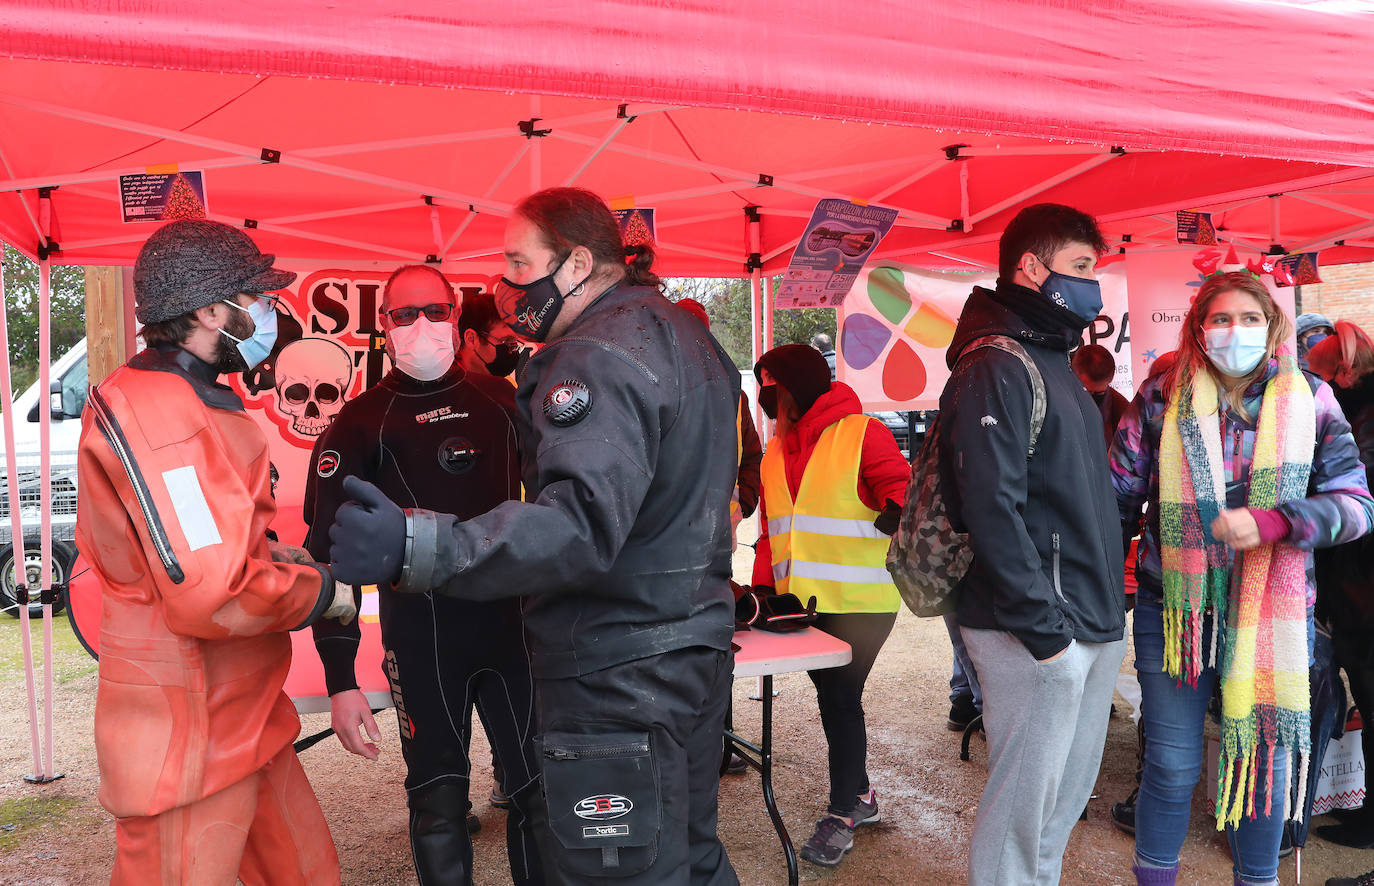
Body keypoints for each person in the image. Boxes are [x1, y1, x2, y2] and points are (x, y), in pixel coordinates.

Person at [327, 186, 741, 885]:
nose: (506, 283)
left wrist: (420, 546)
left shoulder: (594, 357)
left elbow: (580, 523)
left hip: (616, 668)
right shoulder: (687, 336)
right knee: (690, 856)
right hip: (687, 648)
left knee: (627, 869)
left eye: (519, 262)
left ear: (577, 263)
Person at [75, 219, 355, 885]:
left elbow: (216, 543)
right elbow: (212, 590)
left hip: (242, 714)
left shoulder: (191, 401)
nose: (265, 313)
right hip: (188, 733)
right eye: (252, 299)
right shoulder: (163, 416)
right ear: (208, 312)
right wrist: (324, 594)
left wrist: (287, 561)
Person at [1109, 272, 1374, 886]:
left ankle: (1258, 879)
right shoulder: (1161, 393)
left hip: (1273, 615)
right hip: (1176, 611)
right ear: (1200, 328)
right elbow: (1118, 493)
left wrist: (1279, 522)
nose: (1235, 331)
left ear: (1273, 326)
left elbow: (1359, 505)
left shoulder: (1312, 398)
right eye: (1221, 319)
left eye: (1250, 318)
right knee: (1171, 766)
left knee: (1263, 764)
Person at [304, 264, 542, 886]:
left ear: (455, 318)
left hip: (514, 631)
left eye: (434, 312)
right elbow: (332, 565)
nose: (421, 327)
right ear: (383, 325)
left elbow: (558, 520)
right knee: (437, 804)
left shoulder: (504, 404)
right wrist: (340, 680)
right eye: (404, 315)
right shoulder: (357, 424)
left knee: (538, 795)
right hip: (422, 639)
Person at [937, 202, 1127, 886]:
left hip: (1084, 619)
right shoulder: (996, 364)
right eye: (1080, 268)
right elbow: (993, 509)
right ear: (1030, 268)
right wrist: (1049, 639)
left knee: (1057, 810)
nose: (1092, 287)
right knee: (1021, 812)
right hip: (1038, 630)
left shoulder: (1053, 360)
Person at [749, 343, 908, 867]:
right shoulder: (776, 449)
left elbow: (907, 491)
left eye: (773, 384)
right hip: (804, 604)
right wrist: (760, 594)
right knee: (832, 697)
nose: (766, 395)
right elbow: (772, 531)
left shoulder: (864, 432)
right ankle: (859, 795)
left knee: (840, 697)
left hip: (863, 600)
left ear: (796, 385)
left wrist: (896, 508)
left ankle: (845, 811)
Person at [453, 287, 528, 812]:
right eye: (505, 339)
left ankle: (512, 775)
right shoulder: (417, 398)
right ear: (471, 339)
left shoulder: (511, 398)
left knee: (512, 693)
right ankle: (450, 795)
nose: (514, 348)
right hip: (438, 576)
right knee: (450, 696)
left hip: (506, 567)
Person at [1307, 323, 1374, 869]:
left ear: (1345, 374)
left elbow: (1353, 497)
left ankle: (1372, 825)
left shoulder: (1362, 420)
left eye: (1321, 376)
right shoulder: (1357, 412)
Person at [456, 289, 525, 380]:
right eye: (505, 341)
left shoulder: (506, 387)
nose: (511, 351)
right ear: (471, 339)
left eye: (514, 343)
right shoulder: (443, 389)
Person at [1073, 343, 1131, 447]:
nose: (1091, 397)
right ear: (1073, 373)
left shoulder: (1122, 411)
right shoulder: (1055, 396)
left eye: (1099, 393)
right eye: (1086, 390)